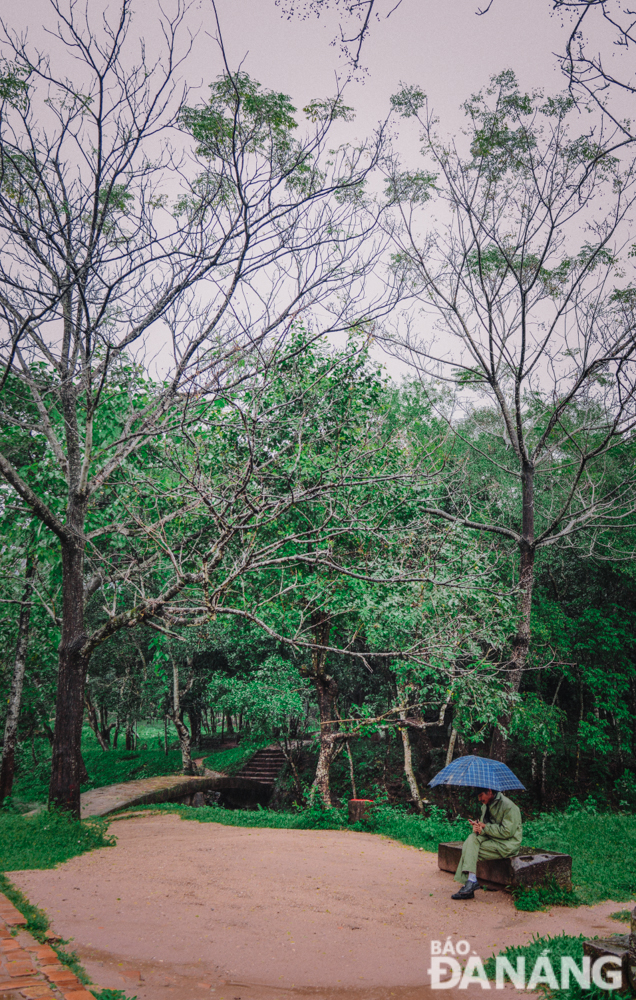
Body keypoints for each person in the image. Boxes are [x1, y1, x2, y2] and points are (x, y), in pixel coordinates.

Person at [451, 787, 522, 900]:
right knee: (471, 838)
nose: (479, 799)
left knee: (469, 848)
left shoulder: (509, 806)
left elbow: (507, 832)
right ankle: (471, 880)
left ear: (489, 792)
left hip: (507, 844)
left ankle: (470, 882)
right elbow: (485, 827)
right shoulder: (485, 805)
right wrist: (478, 827)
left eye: (480, 796)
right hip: (492, 839)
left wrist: (485, 827)